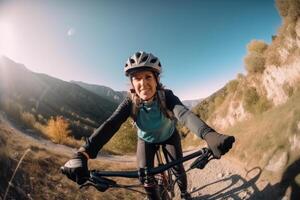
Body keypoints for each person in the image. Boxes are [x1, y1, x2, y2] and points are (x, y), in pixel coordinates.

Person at [62, 51, 235, 200]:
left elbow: (183, 114)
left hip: (169, 136)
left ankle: (184, 193)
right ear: (132, 83)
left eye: (147, 77)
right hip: (145, 140)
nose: (143, 83)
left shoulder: (166, 96)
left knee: (178, 169)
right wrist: (83, 153)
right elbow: (111, 124)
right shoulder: (129, 103)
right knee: (145, 179)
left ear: (156, 79)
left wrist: (209, 135)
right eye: (137, 78)